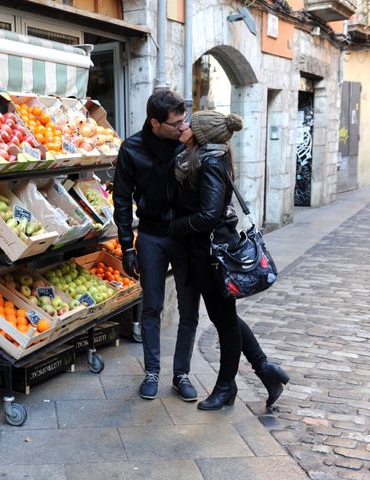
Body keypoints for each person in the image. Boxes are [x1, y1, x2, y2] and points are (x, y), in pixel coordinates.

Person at [168, 110, 290, 410]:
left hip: (212, 255)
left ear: (200, 134)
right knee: (226, 318)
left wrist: (175, 226)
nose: (183, 126)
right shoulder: (203, 158)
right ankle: (264, 369)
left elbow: (209, 215)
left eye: (189, 124)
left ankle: (226, 387)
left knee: (224, 322)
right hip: (206, 254)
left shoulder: (209, 163)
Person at [113, 89, 200, 402]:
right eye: (176, 123)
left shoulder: (189, 143)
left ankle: (182, 374)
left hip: (187, 235)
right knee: (151, 306)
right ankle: (151, 372)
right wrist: (127, 246)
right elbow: (121, 200)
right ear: (154, 122)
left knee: (189, 308)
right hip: (151, 235)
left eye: (184, 120)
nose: (183, 126)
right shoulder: (132, 149)